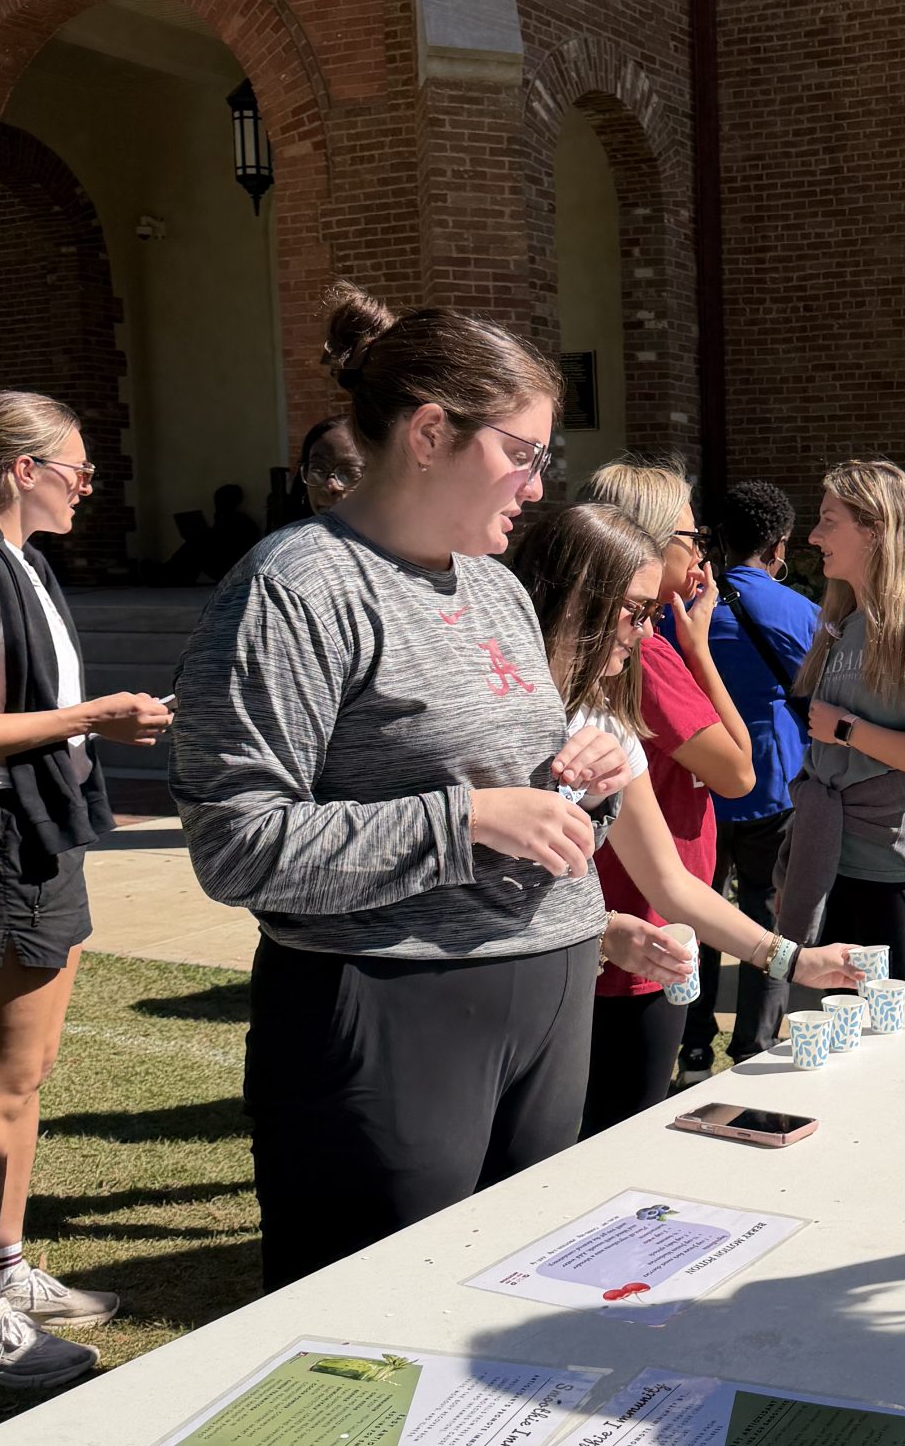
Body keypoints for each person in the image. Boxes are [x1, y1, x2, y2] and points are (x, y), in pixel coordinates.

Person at [171, 285, 677, 1294]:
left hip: (546, 986)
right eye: (523, 454)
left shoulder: (491, 582)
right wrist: (469, 819)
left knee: (514, 1300)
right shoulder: (299, 587)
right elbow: (236, 843)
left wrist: (592, 778)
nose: (537, 486)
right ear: (431, 432)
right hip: (390, 1006)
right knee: (375, 1325)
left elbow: (518, 777)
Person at [512, 500, 857, 1111]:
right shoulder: (493, 709)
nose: (647, 631)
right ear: (578, 599)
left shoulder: (605, 719)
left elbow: (670, 881)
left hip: (556, 998)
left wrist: (791, 960)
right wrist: (599, 933)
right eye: (636, 611)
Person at [0, 393, 170, 1391]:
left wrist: (90, 725)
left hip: (43, 836)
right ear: (21, 467)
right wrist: (91, 714)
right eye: (77, 468)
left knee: (29, 1071)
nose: (90, 485)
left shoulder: (21, 564)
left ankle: (1, 1271)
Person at [573, 459, 755, 1129]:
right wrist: (701, 649)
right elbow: (739, 772)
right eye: (690, 535)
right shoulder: (647, 654)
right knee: (621, 1126)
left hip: (647, 923)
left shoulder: (637, 645)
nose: (700, 550)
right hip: (635, 933)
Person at [777, 460, 905, 981]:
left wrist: (847, 729)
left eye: (829, 520)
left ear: (876, 528)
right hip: (829, 869)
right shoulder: (841, 625)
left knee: (903, 1042)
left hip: (898, 876)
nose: (813, 534)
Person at [675, 479, 821, 1070]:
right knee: (766, 914)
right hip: (772, 784)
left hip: (695, 790)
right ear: (780, 544)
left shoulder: (680, 610)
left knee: (695, 910)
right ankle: (754, 1044)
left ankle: (690, 1041)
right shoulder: (799, 612)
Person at [288, 415, 363, 520]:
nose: (331, 486)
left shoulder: (391, 535)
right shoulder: (287, 536)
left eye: (349, 471)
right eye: (319, 470)